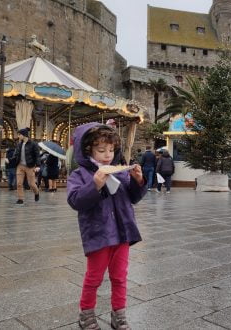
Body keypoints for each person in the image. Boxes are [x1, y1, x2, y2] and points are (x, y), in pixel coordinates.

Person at [67, 123, 146, 330]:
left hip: (122, 234)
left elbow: (133, 198)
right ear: (88, 150)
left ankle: (119, 315)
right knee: (94, 278)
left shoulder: (120, 171)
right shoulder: (80, 174)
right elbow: (75, 201)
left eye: (111, 150)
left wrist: (138, 181)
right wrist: (95, 184)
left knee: (120, 277)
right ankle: (86, 315)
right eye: (101, 150)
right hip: (98, 234)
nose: (107, 155)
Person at [13, 128, 40, 205]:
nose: (18, 136)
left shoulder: (33, 144)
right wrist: (10, 160)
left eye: (19, 135)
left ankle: (37, 193)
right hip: (20, 166)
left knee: (31, 184)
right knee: (19, 183)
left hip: (30, 166)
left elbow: (37, 155)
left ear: (24, 135)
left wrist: (38, 165)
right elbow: (16, 155)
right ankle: (20, 199)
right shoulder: (19, 144)